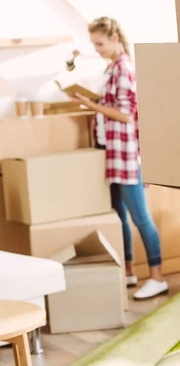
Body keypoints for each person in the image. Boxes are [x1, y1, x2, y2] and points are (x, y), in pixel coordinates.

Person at [72, 16, 168, 300]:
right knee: (119, 217)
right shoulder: (111, 69)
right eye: (94, 44)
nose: (97, 48)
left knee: (140, 217)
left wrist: (91, 105)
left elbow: (126, 114)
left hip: (126, 155)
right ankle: (128, 271)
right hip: (112, 153)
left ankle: (157, 276)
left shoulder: (124, 68)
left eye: (100, 43)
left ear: (114, 39)